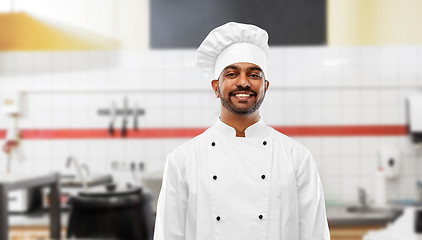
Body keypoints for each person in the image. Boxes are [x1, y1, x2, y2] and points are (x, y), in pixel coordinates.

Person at [153, 22, 330, 240]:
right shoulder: (182, 161)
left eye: (254, 74)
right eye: (232, 74)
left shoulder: (297, 159)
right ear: (216, 87)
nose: (243, 82)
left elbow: (315, 234)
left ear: (265, 86)